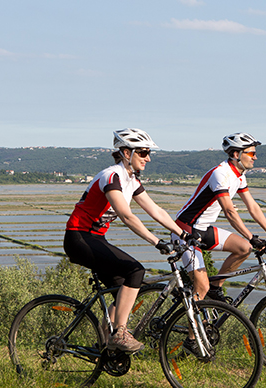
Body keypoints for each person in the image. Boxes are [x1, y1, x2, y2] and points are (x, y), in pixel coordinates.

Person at [63, 128, 192, 353]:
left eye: (148, 153)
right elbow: (126, 215)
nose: (148, 158)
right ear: (125, 152)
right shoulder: (111, 176)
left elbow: (156, 211)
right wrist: (156, 241)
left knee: (123, 291)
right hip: (79, 238)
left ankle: (105, 345)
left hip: (95, 238)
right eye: (142, 153)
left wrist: (184, 234)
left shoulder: (131, 181)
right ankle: (120, 334)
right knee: (135, 271)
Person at [172, 132, 266, 306]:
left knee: (243, 248)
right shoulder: (221, 174)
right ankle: (193, 333)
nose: (255, 157)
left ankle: (216, 287)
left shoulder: (239, 175)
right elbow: (230, 212)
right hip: (186, 229)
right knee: (201, 287)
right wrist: (251, 237)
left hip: (203, 228)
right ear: (236, 154)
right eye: (251, 153)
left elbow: (252, 206)